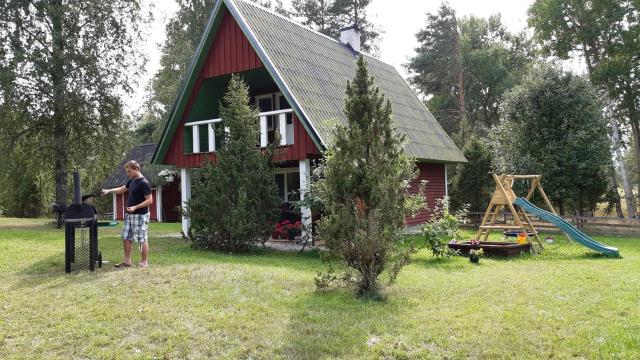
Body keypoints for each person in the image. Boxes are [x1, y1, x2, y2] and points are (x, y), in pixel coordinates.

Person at [101, 160, 153, 268]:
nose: (127, 174)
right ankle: (127, 261)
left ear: (136, 169)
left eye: (129, 171)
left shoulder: (144, 183)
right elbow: (121, 189)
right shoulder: (131, 181)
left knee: (142, 238)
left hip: (140, 215)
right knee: (126, 237)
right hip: (129, 215)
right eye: (127, 172)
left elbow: (150, 200)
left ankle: (144, 262)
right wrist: (108, 191)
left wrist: (135, 207)